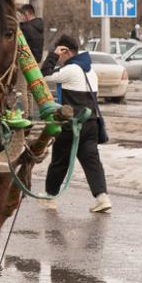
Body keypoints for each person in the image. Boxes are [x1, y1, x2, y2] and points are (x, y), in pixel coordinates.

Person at [41, 34, 111, 214]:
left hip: (72, 124)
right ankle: (102, 198)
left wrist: (53, 56)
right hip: (91, 123)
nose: (60, 58)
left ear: (66, 52)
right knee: (92, 161)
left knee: (59, 161)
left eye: (61, 52)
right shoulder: (89, 70)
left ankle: (50, 198)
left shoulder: (71, 69)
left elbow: (45, 75)